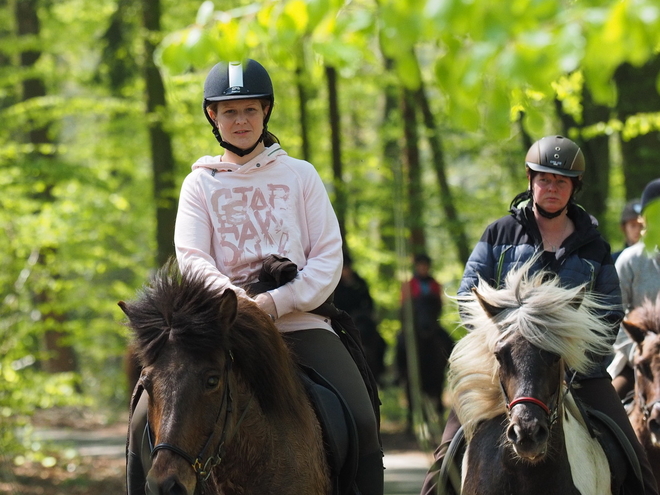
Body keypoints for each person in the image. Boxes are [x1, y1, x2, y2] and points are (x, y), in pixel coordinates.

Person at [126, 59, 383, 494]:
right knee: (140, 426)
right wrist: (241, 307)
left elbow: (327, 257)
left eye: (249, 110)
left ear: (265, 112)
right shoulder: (200, 185)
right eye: (229, 111)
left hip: (301, 322)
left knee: (360, 417)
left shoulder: (301, 175)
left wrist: (275, 303)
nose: (240, 120)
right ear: (213, 117)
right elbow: (192, 259)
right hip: (219, 331)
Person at [420, 135, 658, 495]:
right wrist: (499, 346)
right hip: (500, 370)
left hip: (577, 372)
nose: (551, 187)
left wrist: (572, 357)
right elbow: (470, 293)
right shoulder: (499, 233)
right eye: (544, 179)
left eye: (561, 181)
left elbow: (609, 313)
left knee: (635, 462)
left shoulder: (594, 246)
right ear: (530, 180)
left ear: (573, 188)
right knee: (444, 459)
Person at [608, 178, 660, 398]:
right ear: (643, 219)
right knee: (608, 407)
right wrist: (638, 352)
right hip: (639, 356)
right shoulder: (629, 260)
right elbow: (614, 315)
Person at [396, 253, 454, 427]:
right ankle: (399, 372)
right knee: (400, 341)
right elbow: (403, 307)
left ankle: (452, 367)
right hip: (413, 325)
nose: (423, 268)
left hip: (432, 324)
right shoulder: (408, 285)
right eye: (420, 265)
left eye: (425, 265)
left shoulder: (435, 284)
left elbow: (440, 307)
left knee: (448, 341)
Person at [334, 250, 386, 385]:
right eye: (343, 268)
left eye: (347, 267)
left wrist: (366, 315)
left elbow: (370, 303)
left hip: (363, 322)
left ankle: (380, 373)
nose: (346, 271)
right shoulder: (336, 287)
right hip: (343, 323)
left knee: (381, 343)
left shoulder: (360, 283)